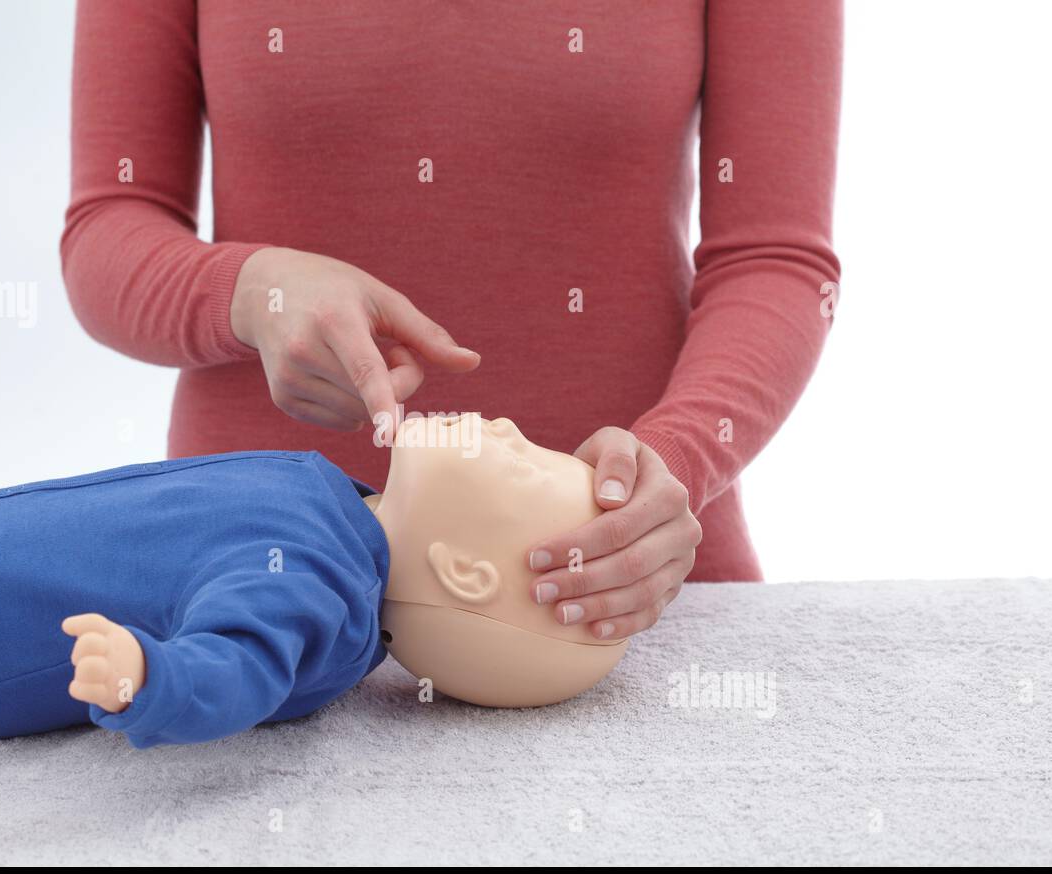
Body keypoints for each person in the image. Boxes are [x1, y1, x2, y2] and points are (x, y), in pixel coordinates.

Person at [61, 1, 843, 640]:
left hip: (621, 596)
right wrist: (250, 289)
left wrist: (676, 458)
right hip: (253, 599)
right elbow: (108, 226)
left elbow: (775, 259)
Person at [0, 415, 658, 747]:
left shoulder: (321, 585)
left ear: (463, 573)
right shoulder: (340, 512)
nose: (508, 422)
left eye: (522, 457)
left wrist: (150, 677)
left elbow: (239, 665)